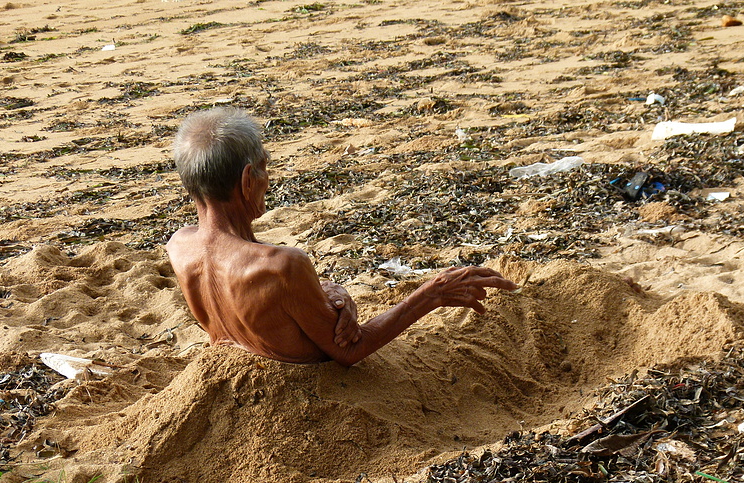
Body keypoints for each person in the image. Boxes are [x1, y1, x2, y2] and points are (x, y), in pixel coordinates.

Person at [166, 107, 518, 367]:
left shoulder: (179, 247)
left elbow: (277, 306)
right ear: (246, 181)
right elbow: (350, 350)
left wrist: (333, 294)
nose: (268, 180)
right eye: (264, 168)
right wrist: (433, 292)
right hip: (304, 404)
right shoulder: (281, 266)